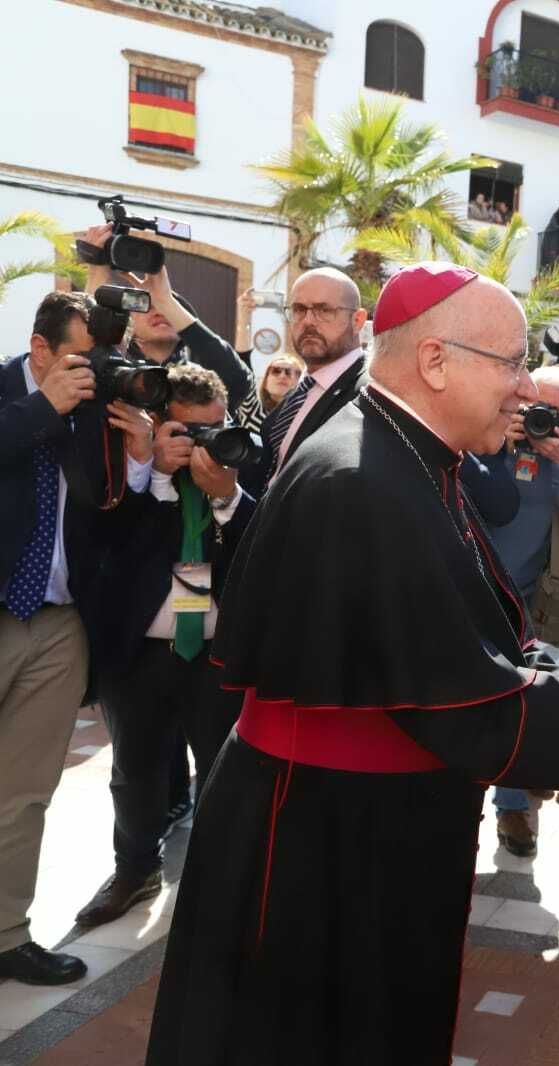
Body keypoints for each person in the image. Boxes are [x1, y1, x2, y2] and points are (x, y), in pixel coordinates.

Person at [145, 263, 559, 1063]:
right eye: (510, 364)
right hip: (327, 846)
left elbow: (461, 660)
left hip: (355, 820)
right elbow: (462, 702)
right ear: (436, 361)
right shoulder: (364, 480)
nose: (525, 391)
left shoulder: (404, 455)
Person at [0, 291, 155, 985]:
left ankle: (5, 935)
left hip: (60, 623)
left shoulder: (94, 409)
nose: (93, 372)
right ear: (38, 351)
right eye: (78, 358)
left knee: (24, 791)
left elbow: (108, 511)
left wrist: (138, 452)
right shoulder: (15, 394)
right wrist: (43, 409)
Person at [72, 364, 256, 928]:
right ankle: (135, 870)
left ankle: (223, 881)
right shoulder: (130, 471)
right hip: (142, 655)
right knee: (135, 773)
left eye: (214, 427)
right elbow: (107, 548)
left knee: (227, 775)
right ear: (159, 426)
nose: (205, 442)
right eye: (188, 431)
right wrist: (153, 476)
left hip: (218, 656)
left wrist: (226, 497)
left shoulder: (242, 459)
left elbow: (266, 546)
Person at [478, 364, 559, 858]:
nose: (544, 421)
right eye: (535, 411)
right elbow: (476, 499)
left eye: (558, 413)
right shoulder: (488, 434)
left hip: (525, 594)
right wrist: (499, 451)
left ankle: (512, 809)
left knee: (514, 701)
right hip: (474, 580)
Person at [82, 224, 264, 435]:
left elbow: (238, 379)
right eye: (145, 304)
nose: (158, 310)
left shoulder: (201, 376)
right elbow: (83, 343)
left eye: (164, 305)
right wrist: (97, 268)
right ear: (128, 323)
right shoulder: (116, 369)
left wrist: (165, 299)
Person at [247, 267, 368, 495]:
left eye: (324, 310)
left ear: (358, 320)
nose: (308, 321)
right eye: (299, 309)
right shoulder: (299, 393)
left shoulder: (370, 396)